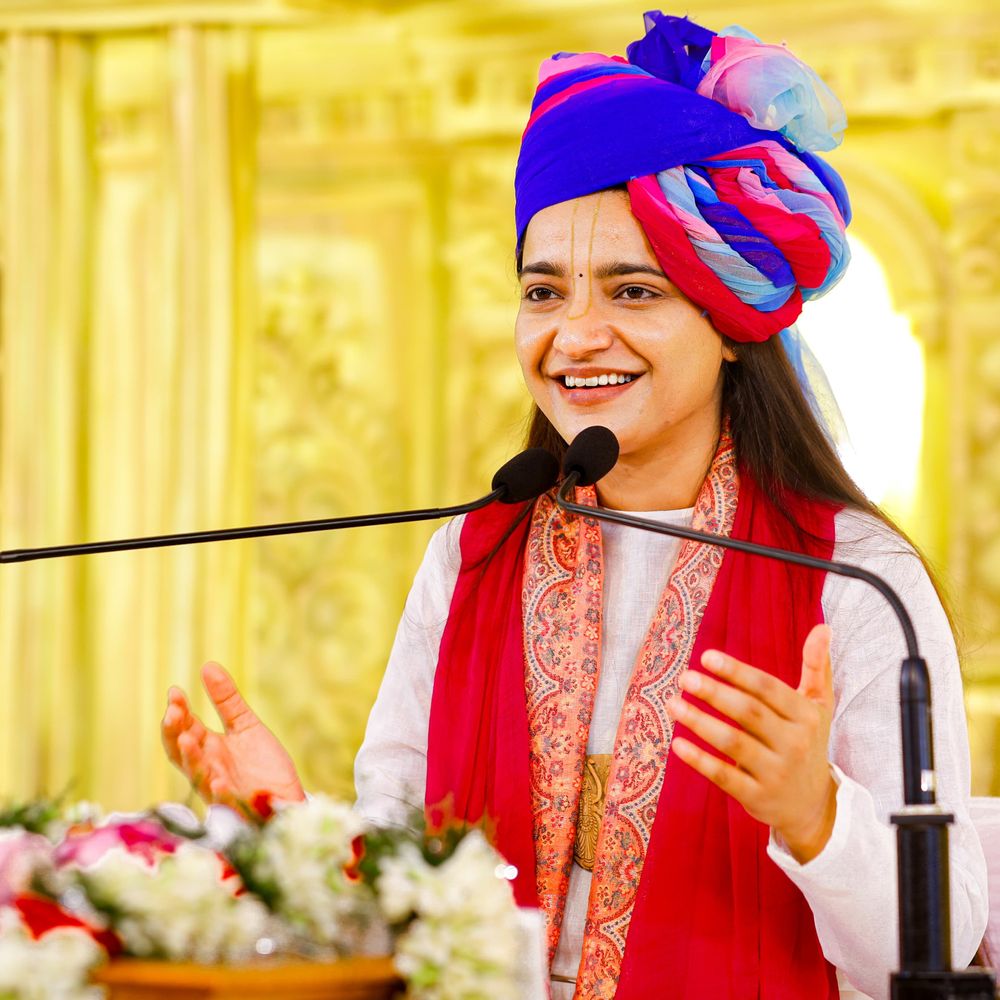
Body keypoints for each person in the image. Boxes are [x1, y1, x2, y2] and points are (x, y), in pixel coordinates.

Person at [161, 12, 988, 1000]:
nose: (576, 335)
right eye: (543, 292)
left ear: (732, 320)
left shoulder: (854, 578)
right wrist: (283, 821)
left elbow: (938, 947)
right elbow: (400, 883)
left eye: (634, 293)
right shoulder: (471, 556)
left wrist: (817, 816)